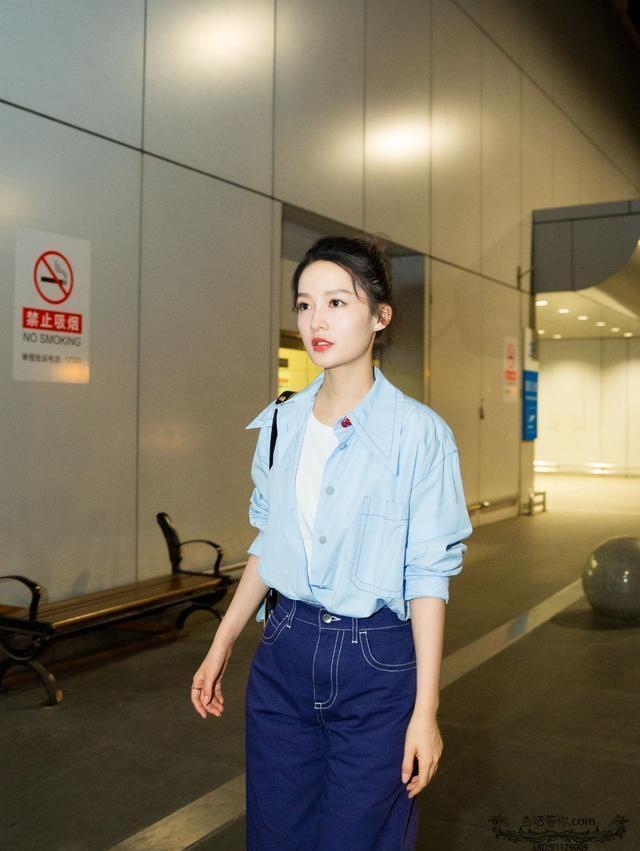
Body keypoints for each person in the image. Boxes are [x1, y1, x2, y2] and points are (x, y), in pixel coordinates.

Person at [191, 235, 474, 850]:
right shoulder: (280, 422)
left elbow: (428, 577)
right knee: (276, 834)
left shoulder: (419, 435)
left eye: (337, 302)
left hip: (377, 662)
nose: (316, 320)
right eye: (304, 304)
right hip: (284, 651)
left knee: (360, 838)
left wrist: (425, 713)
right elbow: (270, 541)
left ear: (380, 316)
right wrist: (223, 642)